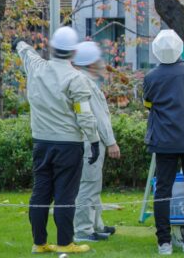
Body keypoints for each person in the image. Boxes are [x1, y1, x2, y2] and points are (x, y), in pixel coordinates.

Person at [15, 27, 100, 254]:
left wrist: (18, 42)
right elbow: (84, 114)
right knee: (65, 194)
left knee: (40, 192)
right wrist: (93, 140)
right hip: (68, 145)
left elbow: (25, 51)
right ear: (73, 53)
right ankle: (65, 243)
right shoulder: (76, 79)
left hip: (41, 143)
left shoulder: (35, 67)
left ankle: (39, 243)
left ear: (51, 48)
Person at [144, 30, 184, 255]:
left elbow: (147, 103)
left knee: (162, 191)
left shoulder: (151, 77)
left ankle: (164, 242)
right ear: (181, 48)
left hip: (164, 142)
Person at [72, 41, 120, 242]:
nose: (103, 62)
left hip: (89, 141)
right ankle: (83, 230)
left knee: (93, 184)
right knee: (88, 185)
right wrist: (111, 142)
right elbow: (98, 117)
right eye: (99, 58)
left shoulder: (85, 80)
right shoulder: (84, 83)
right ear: (91, 63)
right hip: (90, 142)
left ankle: (96, 224)